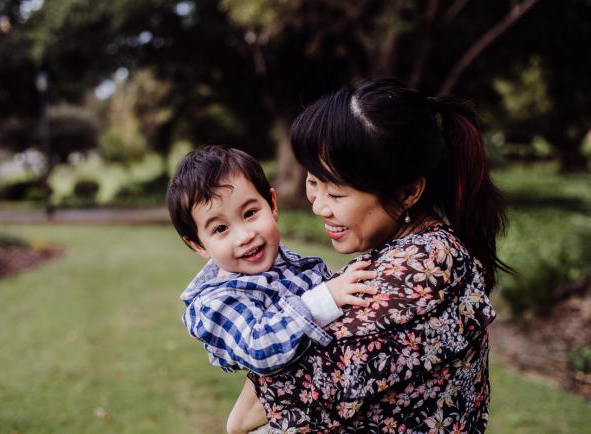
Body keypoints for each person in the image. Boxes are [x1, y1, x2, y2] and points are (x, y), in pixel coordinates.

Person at [241, 78, 510, 433]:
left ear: (409, 190)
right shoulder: (433, 253)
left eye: (336, 194)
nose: (318, 206)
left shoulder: (419, 273)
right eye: (312, 182)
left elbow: (248, 415)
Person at [166, 146, 378, 434]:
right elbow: (260, 347)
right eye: (219, 229)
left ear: (272, 204)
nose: (245, 235)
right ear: (199, 245)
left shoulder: (277, 261)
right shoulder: (217, 302)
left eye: (251, 212)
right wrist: (325, 298)